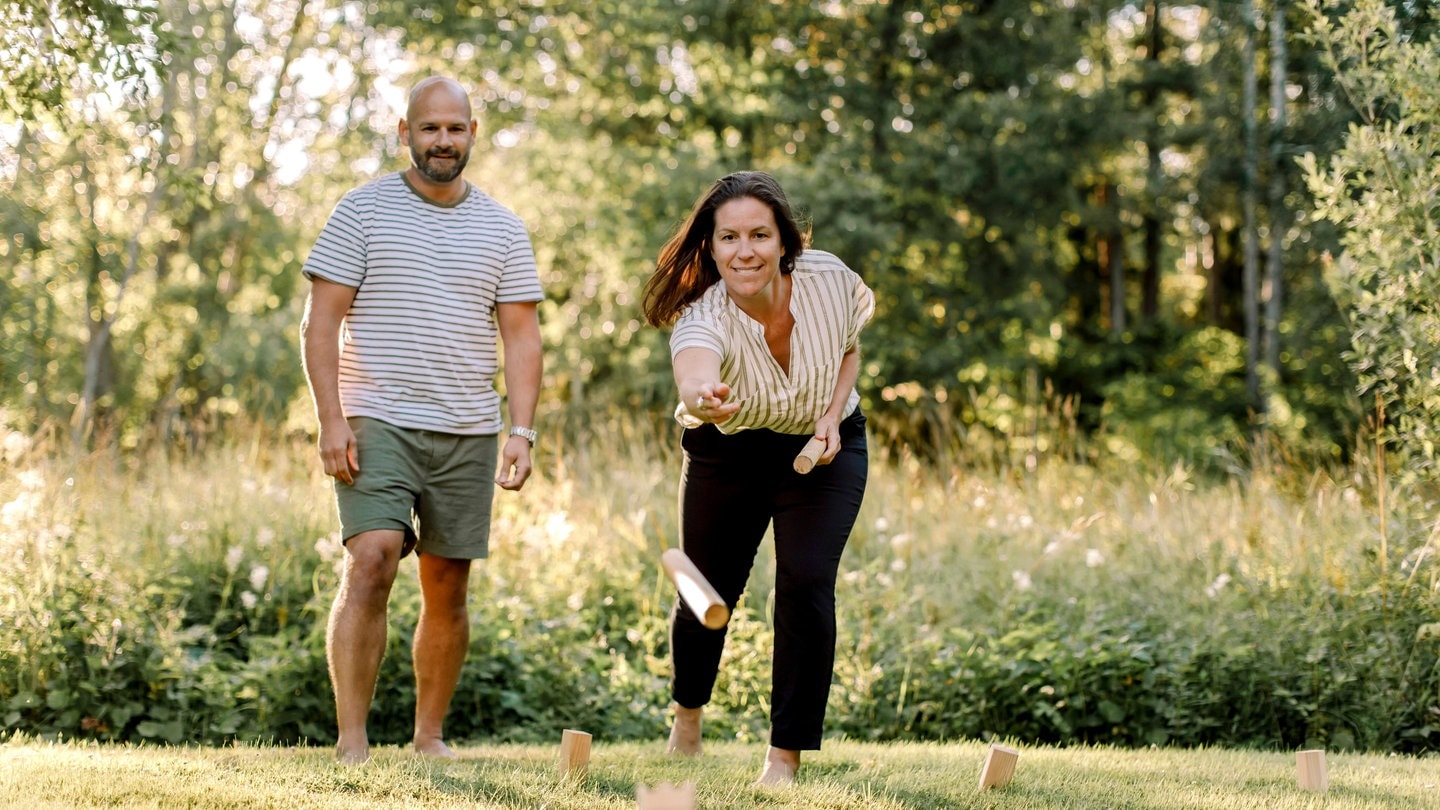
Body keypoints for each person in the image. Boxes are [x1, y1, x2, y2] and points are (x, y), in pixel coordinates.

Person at [299, 76, 544, 765]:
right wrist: (331, 419)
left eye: (456, 128)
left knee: (448, 585)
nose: (443, 140)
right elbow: (320, 323)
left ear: (472, 134)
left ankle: (428, 735)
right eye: (429, 128)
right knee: (373, 558)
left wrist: (521, 431)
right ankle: (352, 740)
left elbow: (523, 337)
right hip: (376, 416)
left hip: (468, 426)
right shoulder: (362, 211)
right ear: (404, 133)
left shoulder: (502, 227)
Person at [641, 170, 875, 786]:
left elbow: (849, 347)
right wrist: (703, 398)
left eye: (759, 235)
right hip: (729, 451)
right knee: (705, 592)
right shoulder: (702, 316)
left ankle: (784, 757)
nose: (744, 251)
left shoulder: (830, 279)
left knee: (806, 578)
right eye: (728, 238)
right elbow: (693, 376)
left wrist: (829, 416)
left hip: (824, 450)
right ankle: (687, 715)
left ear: (784, 241)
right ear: (711, 248)